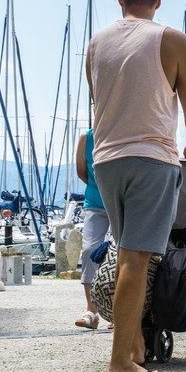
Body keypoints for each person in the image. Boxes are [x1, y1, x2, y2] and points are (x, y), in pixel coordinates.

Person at [87, 0, 186, 372]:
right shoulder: (171, 39)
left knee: (126, 255)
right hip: (151, 156)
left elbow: (98, 98)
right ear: (158, 2)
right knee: (138, 260)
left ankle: (135, 349)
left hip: (106, 160)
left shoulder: (95, 43)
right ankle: (121, 362)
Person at [74, 129, 109, 330]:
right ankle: (92, 311)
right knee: (89, 251)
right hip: (95, 201)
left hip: (120, 202)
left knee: (118, 253)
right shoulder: (86, 138)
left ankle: (117, 312)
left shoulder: (120, 131)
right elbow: (82, 172)